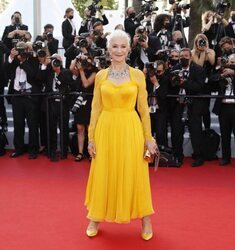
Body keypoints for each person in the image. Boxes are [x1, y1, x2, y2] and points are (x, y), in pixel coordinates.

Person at [85, 29, 157, 240]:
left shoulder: (137, 75)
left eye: (123, 46)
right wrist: (91, 137)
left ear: (129, 49)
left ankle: (146, 218)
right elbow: (95, 108)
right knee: (103, 171)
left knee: (135, 172)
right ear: (108, 49)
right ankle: (95, 216)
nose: (119, 50)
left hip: (130, 128)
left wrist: (149, 138)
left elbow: (144, 109)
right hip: (105, 129)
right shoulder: (100, 76)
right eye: (114, 46)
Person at [209, 53, 235, 169]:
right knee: (225, 134)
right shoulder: (223, 70)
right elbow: (210, 80)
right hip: (224, 107)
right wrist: (221, 75)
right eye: (231, 63)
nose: (233, 65)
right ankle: (225, 158)